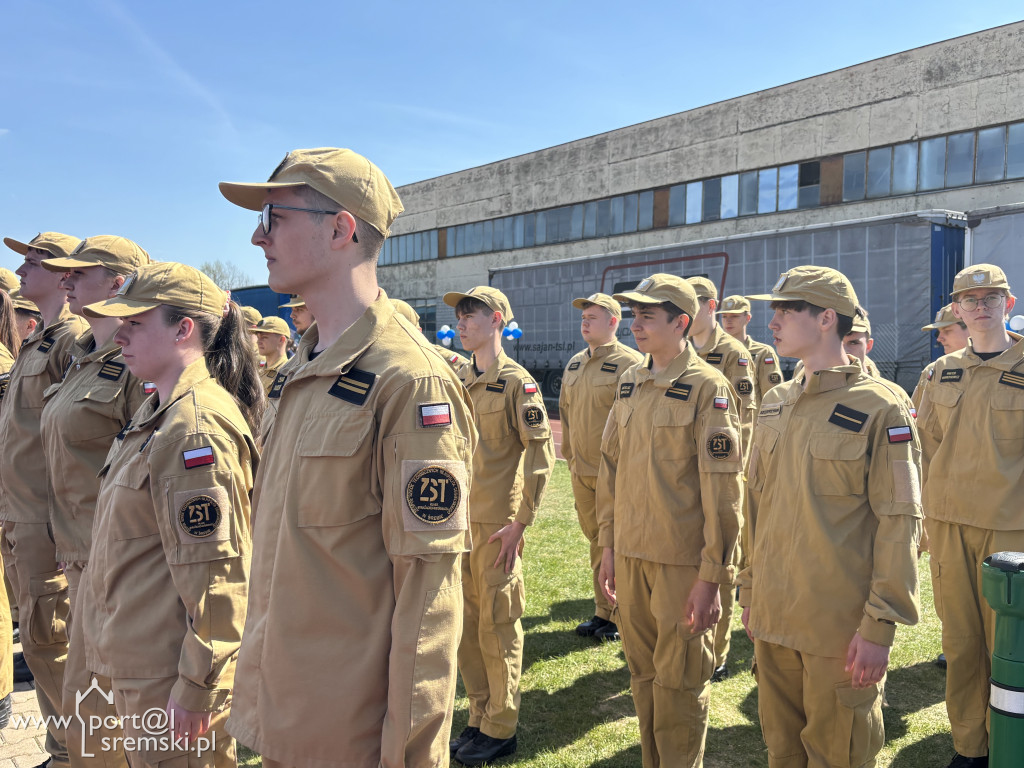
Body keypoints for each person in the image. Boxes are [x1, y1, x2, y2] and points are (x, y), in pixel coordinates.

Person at [220, 147, 478, 768]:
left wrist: (410, 755)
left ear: (340, 228)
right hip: (289, 714)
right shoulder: (303, 368)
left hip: (350, 737)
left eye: (274, 217)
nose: (257, 236)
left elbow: (428, 600)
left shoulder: (408, 381)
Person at [77, 261, 262, 768]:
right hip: (144, 663)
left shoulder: (192, 429)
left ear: (183, 329)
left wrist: (196, 686)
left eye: (135, 323)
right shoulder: (158, 410)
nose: (120, 335)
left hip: (169, 679)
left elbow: (220, 578)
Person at [739, 265, 921, 768]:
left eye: (786, 309)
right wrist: (750, 590)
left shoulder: (881, 407)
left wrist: (879, 626)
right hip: (774, 619)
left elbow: (899, 521)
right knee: (783, 752)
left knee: (836, 757)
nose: (770, 319)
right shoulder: (776, 402)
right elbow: (758, 506)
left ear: (825, 319)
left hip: (837, 630)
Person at [596, 273, 743, 768]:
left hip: (682, 564)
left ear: (681, 323)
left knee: (679, 682)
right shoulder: (631, 380)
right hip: (633, 555)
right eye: (633, 316)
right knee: (642, 675)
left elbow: (723, 490)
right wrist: (609, 547)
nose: (636, 325)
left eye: (647, 316)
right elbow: (612, 468)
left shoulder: (708, 387)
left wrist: (712, 576)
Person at [37, 236, 151, 768]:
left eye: (79, 274)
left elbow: (147, 467)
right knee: (92, 711)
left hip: (118, 564)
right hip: (78, 553)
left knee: (107, 710)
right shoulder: (83, 359)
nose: (67, 282)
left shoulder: (138, 366)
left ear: (118, 282)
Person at [916, 264, 1024, 768]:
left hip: (1011, 528)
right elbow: (923, 450)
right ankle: (970, 746)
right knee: (960, 643)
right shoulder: (938, 372)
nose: (981, 306)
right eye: (970, 299)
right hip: (949, 526)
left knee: (1010, 644)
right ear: (956, 309)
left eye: (991, 297)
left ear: (1010, 300)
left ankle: (1011, 738)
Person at [440, 285, 553, 765]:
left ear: (498, 320)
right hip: (459, 525)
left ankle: (502, 727)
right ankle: (479, 716)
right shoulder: (461, 378)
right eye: (460, 315)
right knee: (465, 627)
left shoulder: (516, 382)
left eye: (472, 313)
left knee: (499, 624)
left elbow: (541, 452)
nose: (462, 322)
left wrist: (521, 521)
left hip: (496, 527)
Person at [0, 231, 87, 768]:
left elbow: (74, 443)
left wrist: (62, 525)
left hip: (45, 524)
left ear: (63, 276)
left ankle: (84, 754)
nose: (23, 270)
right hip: (19, 517)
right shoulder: (37, 340)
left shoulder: (74, 340)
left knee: (55, 646)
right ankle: (61, 751)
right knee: (39, 641)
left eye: (35, 262)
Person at [559, 292, 641, 642]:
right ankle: (602, 611)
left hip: (614, 475)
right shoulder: (576, 363)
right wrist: (571, 460)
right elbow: (565, 413)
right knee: (597, 542)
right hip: (581, 472)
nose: (585, 322)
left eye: (593, 317)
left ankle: (622, 615)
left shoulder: (631, 363)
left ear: (613, 322)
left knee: (616, 543)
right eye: (583, 317)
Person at [685, 276, 755, 683]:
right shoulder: (681, 352)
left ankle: (718, 651)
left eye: (693, 303)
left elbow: (743, 417)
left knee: (721, 556)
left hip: (723, 470)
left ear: (710, 307)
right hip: (686, 479)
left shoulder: (733, 353)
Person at [716, 294, 784, 399]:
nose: (728, 321)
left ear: (747, 318)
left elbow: (772, 396)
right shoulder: (714, 351)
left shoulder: (763, 353)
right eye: (724, 316)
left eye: (734, 316)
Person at [911, 304, 970, 409]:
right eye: (939, 332)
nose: (939, 338)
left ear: (971, 329)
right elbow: (917, 419)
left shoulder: (997, 365)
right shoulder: (933, 370)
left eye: (947, 331)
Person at [250, 316, 291, 395]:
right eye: (258, 337)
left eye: (264, 337)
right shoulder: (260, 371)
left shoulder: (287, 372)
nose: (258, 341)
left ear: (281, 340)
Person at [843, 312, 885, 379]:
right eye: (837, 343)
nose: (844, 351)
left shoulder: (883, 389)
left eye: (853, 343)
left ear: (868, 346)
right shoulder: (820, 386)